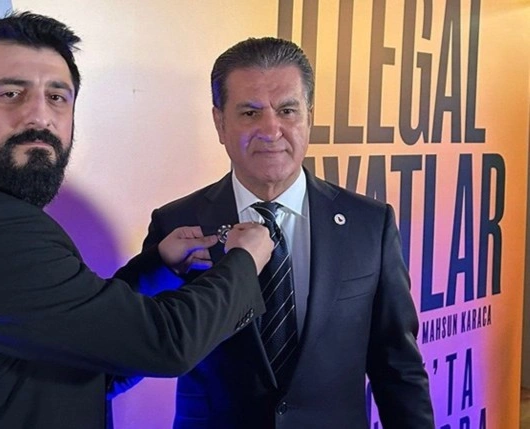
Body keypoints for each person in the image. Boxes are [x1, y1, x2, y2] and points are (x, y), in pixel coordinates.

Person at [0, 12, 273, 429]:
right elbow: (166, 343)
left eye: (57, 97)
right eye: (11, 94)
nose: (39, 117)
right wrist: (244, 262)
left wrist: (159, 268)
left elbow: (94, 354)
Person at [129, 37, 435, 428]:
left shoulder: (370, 224)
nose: (271, 130)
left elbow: (398, 366)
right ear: (220, 123)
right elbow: (145, 342)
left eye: (287, 110)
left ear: (309, 117)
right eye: (250, 113)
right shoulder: (176, 224)